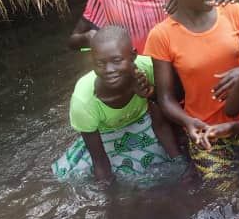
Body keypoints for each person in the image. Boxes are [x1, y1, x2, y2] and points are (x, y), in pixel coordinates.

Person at [144, 0, 239, 190]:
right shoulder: (162, 35)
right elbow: (165, 98)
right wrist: (187, 122)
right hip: (205, 132)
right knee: (223, 200)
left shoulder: (233, 11)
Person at [53, 26, 180, 182]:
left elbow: (162, 124)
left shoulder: (148, 69)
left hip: (145, 123)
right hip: (106, 134)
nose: (109, 70)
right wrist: (111, 197)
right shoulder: (83, 100)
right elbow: (99, 160)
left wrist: (150, 93)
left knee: (163, 170)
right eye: (100, 63)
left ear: (133, 55)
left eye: (117, 60)